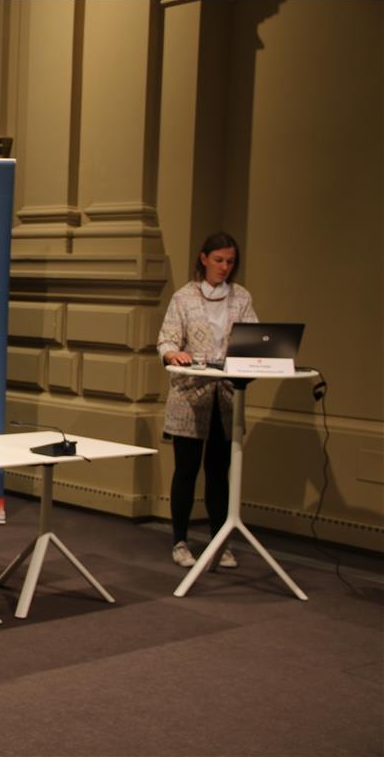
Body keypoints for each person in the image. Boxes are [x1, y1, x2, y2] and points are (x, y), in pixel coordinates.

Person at [157, 232, 257, 569]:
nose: (224, 267)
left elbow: (255, 338)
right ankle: (180, 541)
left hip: (226, 397)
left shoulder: (241, 298)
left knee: (218, 472)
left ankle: (220, 542)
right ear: (204, 259)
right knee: (186, 471)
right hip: (189, 396)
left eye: (230, 261)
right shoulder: (184, 297)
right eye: (218, 260)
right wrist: (173, 353)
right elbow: (167, 340)